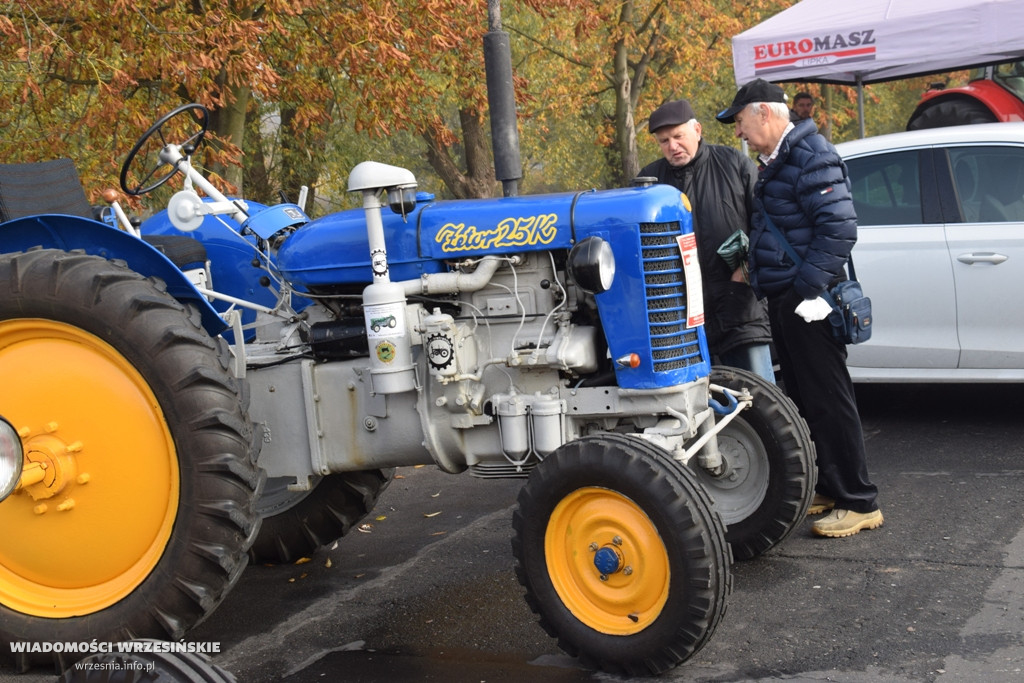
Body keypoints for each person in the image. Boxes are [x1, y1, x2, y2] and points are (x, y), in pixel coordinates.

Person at [715, 79, 883, 538]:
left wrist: (807, 288)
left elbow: (840, 229)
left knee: (829, 399)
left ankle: (858, 500)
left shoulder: (810, 155)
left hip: (810, 302)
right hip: (790, 300)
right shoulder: (783, 160)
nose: (739, 132)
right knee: (808, 398)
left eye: (741, 121)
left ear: (764, 113)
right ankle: (830, 487)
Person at [639, 99, 775, 383]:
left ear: (697, 130)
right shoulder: (648, 183)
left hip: (741, 312)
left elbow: (768, 226)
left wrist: (747, 269)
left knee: (759, 399)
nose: (672, 146)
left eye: (678, 136)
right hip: (681, 323)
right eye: (664, 141)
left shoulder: (735, 164)